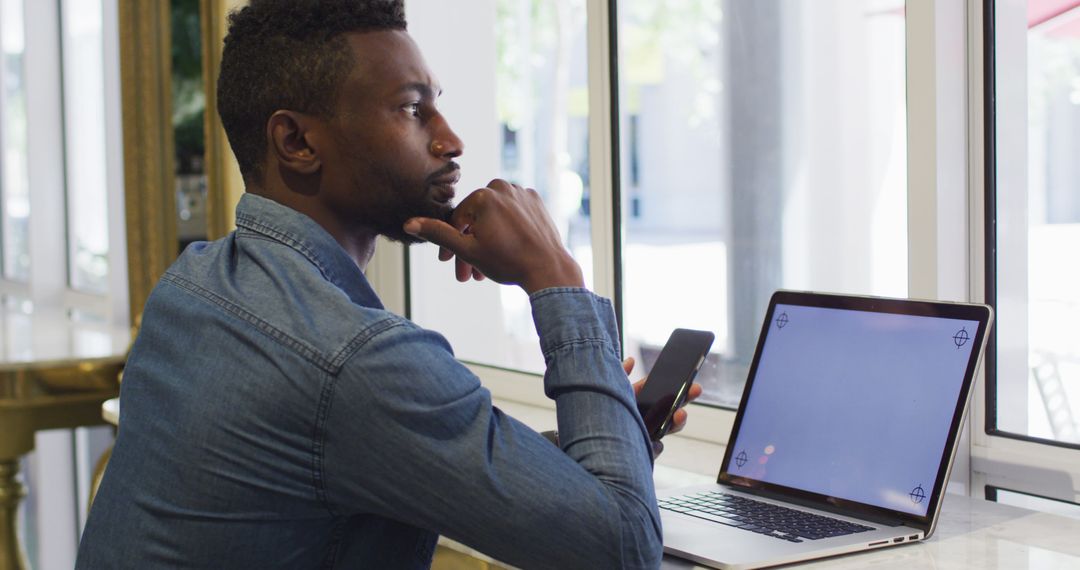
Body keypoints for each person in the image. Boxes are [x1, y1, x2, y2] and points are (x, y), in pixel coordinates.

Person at [77, 1, 700, 567]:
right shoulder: (354, 359)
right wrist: (555, 278)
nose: (451, 140)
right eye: (411, 108)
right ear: (295, 141)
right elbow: (621, 551)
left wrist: (606, 438)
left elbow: (365, 443)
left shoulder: (192, 286)